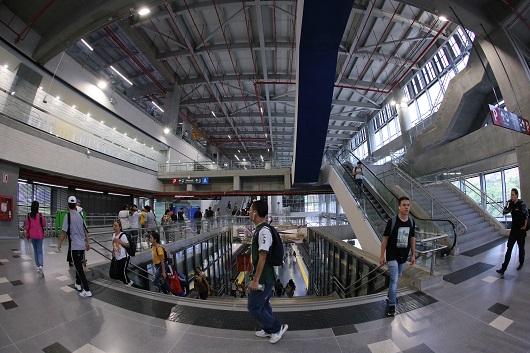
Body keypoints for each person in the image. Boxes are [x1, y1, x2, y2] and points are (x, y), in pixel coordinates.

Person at [247, 199, 288, 344]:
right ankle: (268, 329)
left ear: (256, 213)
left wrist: (256, 279)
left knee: (253, 306)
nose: (249, 212)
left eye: (251, 210)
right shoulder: (259, 229)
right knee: (264, 304)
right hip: (265, 276)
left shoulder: (264, 231)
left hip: (264, 278)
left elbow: (263, 257)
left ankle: (277, 327)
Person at [380, 196, 416, 316]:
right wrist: (382, 255)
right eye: (404, 205)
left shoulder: (411, 221)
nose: (406, 207)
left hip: (403, 255)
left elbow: (412, 238)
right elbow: (385, 238)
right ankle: (392, 305)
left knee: (398, 276)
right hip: (392, 254)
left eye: (408, 205)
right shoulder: (392, 221)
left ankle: (391, 294)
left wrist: (413, 254)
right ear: (399, 206)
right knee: (394, 279)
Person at [58, 196, 92, 297]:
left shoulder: (67, 217)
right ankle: (77, 284)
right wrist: (88, 242)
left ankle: (87, 290)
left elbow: (64, 232)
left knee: (79, 268)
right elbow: (86, 230)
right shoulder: (80, 215)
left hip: (75, 246)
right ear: (76, 204)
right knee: (78, 265)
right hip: (82, 246)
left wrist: (59, 243)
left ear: (68, 205)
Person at [497, 188, 528, 275]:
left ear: (517, 195)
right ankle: (503, 269)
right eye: (511, 195)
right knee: (509, 249)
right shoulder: (511, 204)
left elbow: (526, 215)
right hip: (514, 230)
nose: (512, 196)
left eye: (513, 195)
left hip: (521, 230)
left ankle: (521, 262)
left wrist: (525, 226)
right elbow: (504, 212)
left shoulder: (521, 203)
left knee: (521, 248)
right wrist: (507, 203)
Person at [25, 201, 45, 277]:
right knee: (40, 251)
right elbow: (44, 224)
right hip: (39, 236)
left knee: (35, 251)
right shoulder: (40, 216)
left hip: (32, 236)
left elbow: (27, 226)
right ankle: (41, 266)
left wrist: (27, 235)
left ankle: (37, 266)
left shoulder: (28, 216)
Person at [111, 220, 133, 286]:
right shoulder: (114, 234)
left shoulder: (122, 235)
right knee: (120, 271)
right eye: (114, 225)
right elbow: (114, 244)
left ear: (120, 227)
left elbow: (128, 245)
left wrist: (120, 241)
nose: (114, 227)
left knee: (122, 271)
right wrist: (113, 251)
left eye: (116, 226)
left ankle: (127, 283)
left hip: (124, 256)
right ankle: (128, 281)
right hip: (117, 256)